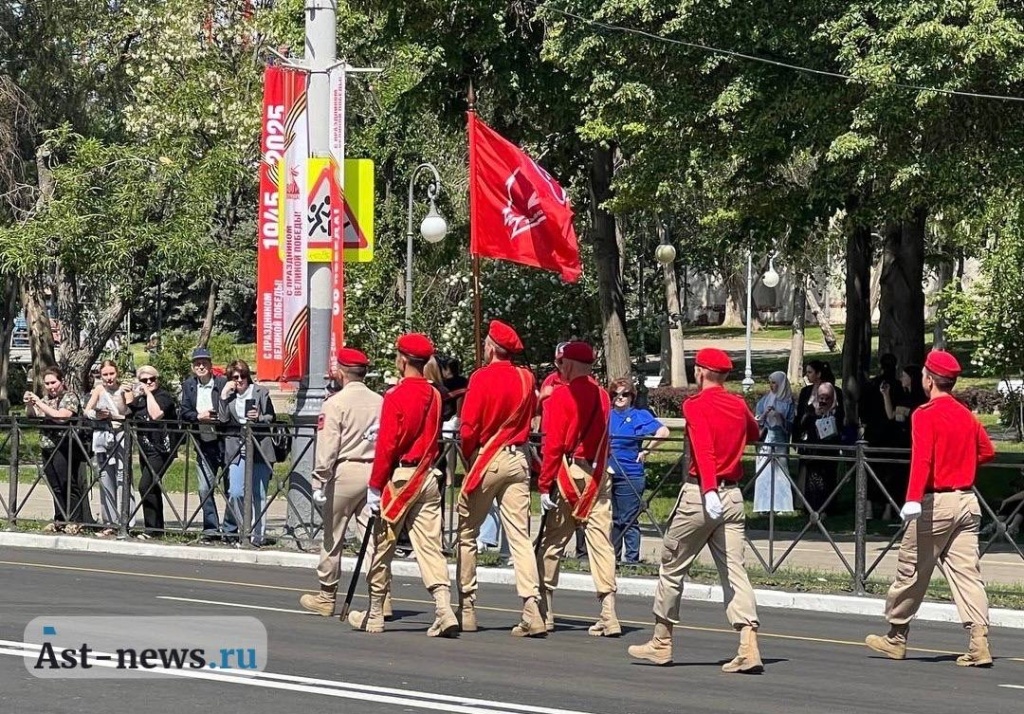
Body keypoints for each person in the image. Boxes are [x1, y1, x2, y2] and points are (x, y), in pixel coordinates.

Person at [628, 348, 764, 672]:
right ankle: (748, 645)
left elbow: (702, 448)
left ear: (700, 372)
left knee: (672, 565)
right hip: (733, 496)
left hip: (701, 495)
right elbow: (755, 434)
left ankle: (661, 642)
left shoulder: (695, 404)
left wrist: (708, 489)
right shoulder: (738, 404)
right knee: (735, 571)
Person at [865, 350, 996, 667]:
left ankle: (896, 636)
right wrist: (962, 467)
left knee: (910, 570)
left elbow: (921, 459)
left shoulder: (925, 414)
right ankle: (979, 642)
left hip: (936, 503)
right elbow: (988, 451)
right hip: (967, 502)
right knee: (968, 575)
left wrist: (912, 499)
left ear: (928, 380)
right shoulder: (966, 414)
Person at [347, 333, 458, 638]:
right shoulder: (435, 395)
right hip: (428, 476)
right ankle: (444, 609)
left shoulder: (395, 395)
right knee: (430, 546)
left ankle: (375, 613)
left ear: (403, 359)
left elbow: (387, 446)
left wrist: (375, 486)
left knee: (383, 544)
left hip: (401, 478)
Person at [456, 320, 543, 636]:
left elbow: (469, 427)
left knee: (467, 532)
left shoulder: (481, 377)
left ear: (491, 347)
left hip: (488, 458)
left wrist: (470, 457)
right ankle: (531, 607)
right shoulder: (526, 377)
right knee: (519, 536)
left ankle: (467, 607)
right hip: (517, 458)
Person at [535, 341, 619, 636]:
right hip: (597, 473)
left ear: (568, 364)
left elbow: (553, 445)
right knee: (601, 544)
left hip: (570, 473)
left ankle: (544, 611)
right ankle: (609, 613)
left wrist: (544, 484)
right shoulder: (603, 395)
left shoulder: (562, 395)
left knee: (553, 542)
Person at [298, 347, 384, 616]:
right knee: (372, 539)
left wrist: (319, 480)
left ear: (342, 372)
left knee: (332, 536)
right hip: (373, 472)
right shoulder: (380, 401)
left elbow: (328, 447)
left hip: (345, 472)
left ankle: (327, 596)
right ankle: (381, 597)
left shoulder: (335, 403)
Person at [606, 377, 669, 563]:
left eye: (624, 394)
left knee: (628, 519)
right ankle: (613, 559)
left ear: (631, 396)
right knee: (613, 519)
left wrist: (646, 450)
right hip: (607, 472)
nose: (620, 397)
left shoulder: (639, 415)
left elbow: (663, 432)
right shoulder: (606, 414)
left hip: (630, 473)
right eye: (615, 394)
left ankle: (631, 561)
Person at [218, 360, 277, 546]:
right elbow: (222, 419)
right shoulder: (230, 396)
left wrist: (259, 417)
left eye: (243, 375)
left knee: (258, 494)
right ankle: (244, 530)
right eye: (235, 377)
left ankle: (257, 537)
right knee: (235, 492)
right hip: (237, 449)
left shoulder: (260, 392)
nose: (239, 380)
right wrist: (223, 395)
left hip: (259, 447)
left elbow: (271, 417)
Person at [25, 367, 86, 534]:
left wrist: (39, 403)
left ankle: (75, 520)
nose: (51, 387)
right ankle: (59, 519)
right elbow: (32, 416)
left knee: (67, 483)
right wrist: (30, 404)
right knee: (55, 485)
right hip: (47, 445)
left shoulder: (69, 397)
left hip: (65, 445)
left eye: (53, 382)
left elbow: (61, 417)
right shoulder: (46, 399)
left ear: (62, 381)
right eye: (47, 384)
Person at [124, 365, 178, 538]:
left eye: (152, 379)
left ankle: (152, 529)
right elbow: (125, 413)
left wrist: (148, 394)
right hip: (146, 449)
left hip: (162, 449)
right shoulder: (139, 399)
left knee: (145, 486)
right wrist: (126, 394)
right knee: (152, 487)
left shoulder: (163, 396)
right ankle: (156, 528)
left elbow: (156, 415)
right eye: (144, 380)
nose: (148, 382)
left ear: (157, 380)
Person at [179, 347, 228, 539]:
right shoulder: (189, 385)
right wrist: (198, 416)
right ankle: (211, 528)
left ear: (210, 365)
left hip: (225, 442)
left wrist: (217, 416)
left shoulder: (222, 383)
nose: (201, 366)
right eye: (197, 364)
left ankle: (232, 529)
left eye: (204, 363)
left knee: (231, 489)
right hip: (203, 443)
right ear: (193, 367)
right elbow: (184, 412)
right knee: (204, 488)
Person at [83, 360, 133, 536]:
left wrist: (124, 398)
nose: (109, 378)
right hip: (103, 435)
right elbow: (86, 411)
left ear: (117, 373)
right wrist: (97, 415)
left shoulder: (124, 389)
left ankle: (126, 521)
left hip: (121, 434)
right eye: (105, 374)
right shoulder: (99, 390)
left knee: (122, 476)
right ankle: (109, 522)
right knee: (105, 477)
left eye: (112, 373)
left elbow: (129, 411)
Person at [878, 364, 928, 518]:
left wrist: (907, 413)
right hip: (897, 439)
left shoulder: (921, 399)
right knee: (894, 475)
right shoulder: (902, 396)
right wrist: (886, 395)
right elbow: (891, 415)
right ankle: (891, 508)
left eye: (904, 376)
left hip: (911, 441)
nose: (901, 379)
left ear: (911, 378)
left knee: (907, 474)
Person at [753, 371, 796, 513]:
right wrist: (765, 414)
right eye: (770, 383)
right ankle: (763, 505)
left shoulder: (788, 402)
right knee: (763, 471)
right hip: (766, 438)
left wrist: (781, 418)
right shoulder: (765, 400)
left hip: (780, 439)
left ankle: (781, 505)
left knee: (781, 471)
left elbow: (791, 425)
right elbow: (757, 420)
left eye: (774, 383)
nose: (771, 386)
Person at [797, 381, 843, 514]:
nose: (823, 401)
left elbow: (840, 428)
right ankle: (811, 507)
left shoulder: (837, 411)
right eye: (821, 397)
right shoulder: (811, 409)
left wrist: (828, 415)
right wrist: (814, 414)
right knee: (812, 480)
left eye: (827, 398)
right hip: (813, 450)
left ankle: (827, 508)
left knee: (828, 479)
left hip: (829, 451)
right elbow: (802, 425)